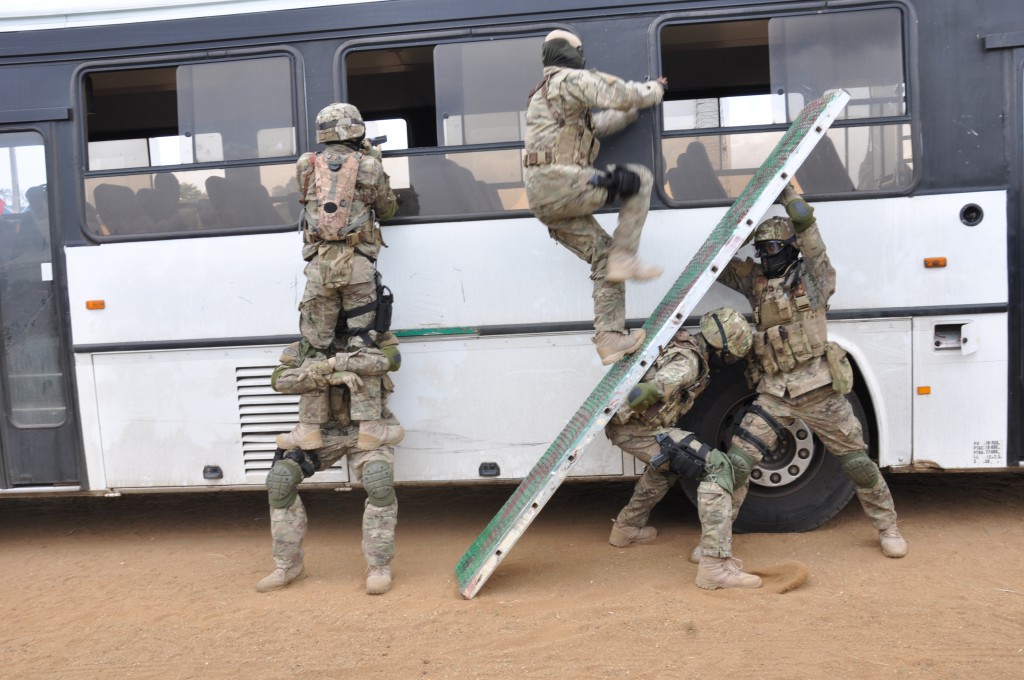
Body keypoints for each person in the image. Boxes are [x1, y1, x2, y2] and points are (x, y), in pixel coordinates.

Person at [715, 184, 908, 559]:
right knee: (737, 464)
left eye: (772, 249)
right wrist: (740, 220)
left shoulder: (815, 280)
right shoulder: (756, 284)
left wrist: (792, 201)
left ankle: (888, 526)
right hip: (773, 393)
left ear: (790, 249)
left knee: (856, 462)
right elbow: (718, 264)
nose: (765, 256)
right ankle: (716, 544)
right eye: (761, 250)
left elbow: (810, 236)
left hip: (819, 389)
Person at [524, 29, 667, 366]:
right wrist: (653, 91)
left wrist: (630, 113)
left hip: (546, 199)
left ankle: (610, 338)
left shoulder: (545, 93)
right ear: (570, 53)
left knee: (603, 254)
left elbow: (594, 127)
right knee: (640, 179)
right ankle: (627, 255)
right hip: (561, 183)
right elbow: (616, 92)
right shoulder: (569, 80)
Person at [605, 307, 763, 590]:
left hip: (639, 431)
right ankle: (713, 563)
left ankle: (626, 528)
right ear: (724, 350)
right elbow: (655, 388)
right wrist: (618, 412)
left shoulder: (686, 346)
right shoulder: (689, 362)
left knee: (666, 467)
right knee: (724, 469)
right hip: (638, 431)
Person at [277, 102, 403, 454]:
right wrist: (373, 162)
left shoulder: (305, 164)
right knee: (363, 343)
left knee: (314, 348)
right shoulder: (369, 166)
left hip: (318, 269)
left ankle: (308, 429)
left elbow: (308, 200)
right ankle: (370, 427)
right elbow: (388, 208)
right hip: (358, 267)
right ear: (355, 129)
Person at [258, 333, 402, 595]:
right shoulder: (305, 346)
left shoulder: (377, 339)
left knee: (378, 480)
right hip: (322, 435)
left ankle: (378, 566)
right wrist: (326, 374)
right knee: (281, 479)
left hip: (367, 432)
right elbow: (279, 380)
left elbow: (389, 362)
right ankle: (288, 565)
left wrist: (338, 361)